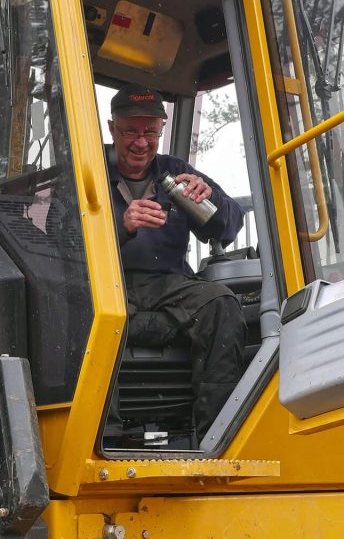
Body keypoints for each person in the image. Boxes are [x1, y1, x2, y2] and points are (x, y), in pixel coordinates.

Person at [106, 83, 246, 436]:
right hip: (109, 284)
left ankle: (217, 435)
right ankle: (105, 437)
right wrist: (120, 227)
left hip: (169, 285)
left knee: (221, 304)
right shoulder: (88, 169)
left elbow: (230, 227)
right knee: (79, 309)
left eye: (151, 132)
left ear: (162, 131)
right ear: (112, 129)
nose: (141, 143)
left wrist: (209, 200)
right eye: (131, 132)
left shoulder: (176, 171)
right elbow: (61, 240)